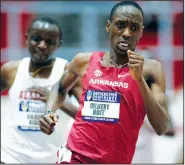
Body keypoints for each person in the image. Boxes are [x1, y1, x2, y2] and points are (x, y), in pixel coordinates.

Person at [40, 1, 169, 164]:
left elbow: (162, 127)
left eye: (134, 28)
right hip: (75, 157)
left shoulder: (152, 69)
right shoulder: (83, 61)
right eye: (120, 25)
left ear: (141, 32)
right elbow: (59, 89)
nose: (127, 33)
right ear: (109, 26)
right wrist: (48, 113)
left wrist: (139, 80)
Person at [0, 17, 81, 163]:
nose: (42, 45)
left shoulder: (68, 72)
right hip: (11, 156)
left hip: (52, 158)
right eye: (36, 38)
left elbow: (88, 117)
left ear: (58, 44)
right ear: (26, 38)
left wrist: (55, 99)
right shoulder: (10, 70)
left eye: (50, 41)